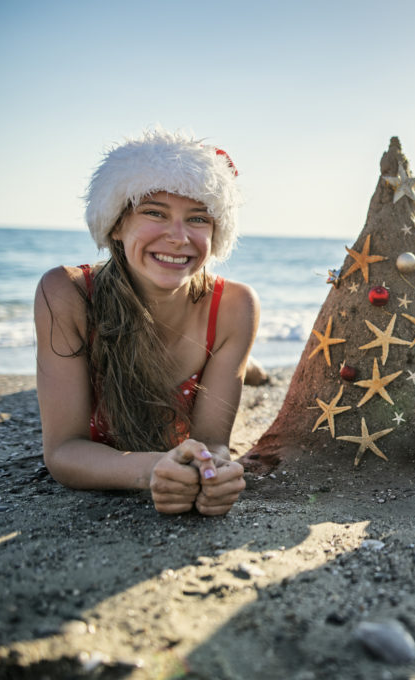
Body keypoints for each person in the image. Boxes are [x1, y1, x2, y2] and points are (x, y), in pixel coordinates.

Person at [34, 130, 258, 515]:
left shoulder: (235, 306)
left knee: (255, 375)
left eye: (198, 218)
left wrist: (213, 471)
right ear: (116, 225)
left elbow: (212, 443)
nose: (178, 237)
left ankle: (251, 367)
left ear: (216, 233)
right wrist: (154, 468)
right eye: (154, 212)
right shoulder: (66, 293)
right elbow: (63, 451)